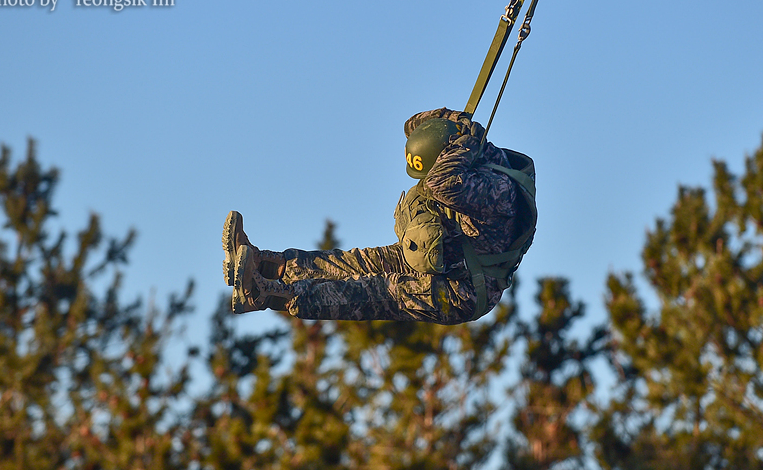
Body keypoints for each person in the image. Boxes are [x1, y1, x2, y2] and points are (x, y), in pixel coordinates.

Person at [222, 107, 536, 325]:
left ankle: (264, 294)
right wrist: (455, 121)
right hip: (445, 254)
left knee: (373, 292)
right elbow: (412, 124)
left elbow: (440, 183)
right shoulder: (472, 148)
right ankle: (261, 264)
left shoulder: (497, 191)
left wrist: (462, 141)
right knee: (359, 262)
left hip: (462, 289)